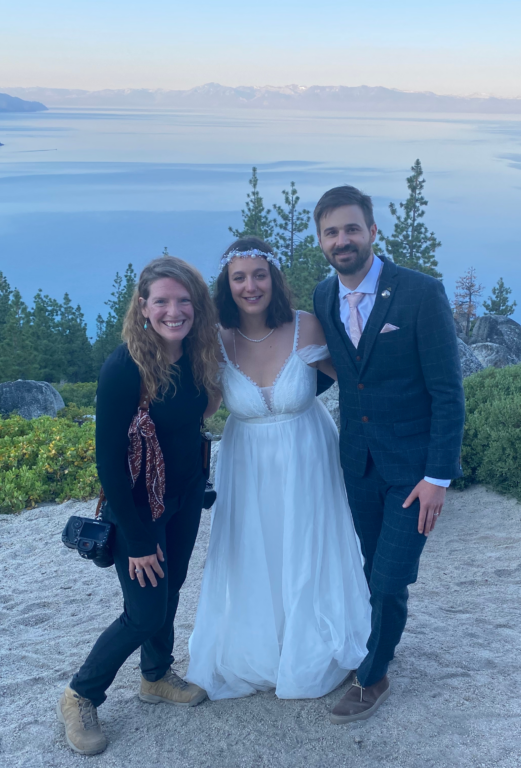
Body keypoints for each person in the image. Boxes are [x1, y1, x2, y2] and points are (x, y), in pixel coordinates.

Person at [186, 237, 371, 700]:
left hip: (308, 453)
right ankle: (261, 648)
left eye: (259, 275)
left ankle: (312, 645)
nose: (251, 286)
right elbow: (203, 408)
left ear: (275, 279)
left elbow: (355, 377)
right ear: (227, 285)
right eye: (239, 277)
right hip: (246, 462)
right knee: (255, 548)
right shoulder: (216, 340)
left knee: (310, 544)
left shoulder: (308, 326)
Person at [310, 186, 465, 724]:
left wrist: (438, 477)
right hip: (357, 464)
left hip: (413, 471)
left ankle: (372, 677)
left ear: (373, 232)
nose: (343, 240)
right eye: (332, 232)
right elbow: (342, 370)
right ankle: (374, 644)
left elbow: (448, 391)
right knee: (367, 569)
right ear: (322, 242)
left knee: (389, 577)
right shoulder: (324, 299)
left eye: (352, 228)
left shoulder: (420, 294)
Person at [58, 256, 223, 756]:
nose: (174, 311)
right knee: (145, 611)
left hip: (187, 495)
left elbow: (200, 413)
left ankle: (155, 676)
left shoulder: (195, 354)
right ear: (143, 307)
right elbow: (108, 462)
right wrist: (138, 539)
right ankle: (80, 694)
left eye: (183, 301)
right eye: (162, 302)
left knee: (169, 593)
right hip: (139, 509)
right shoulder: (125, 367)